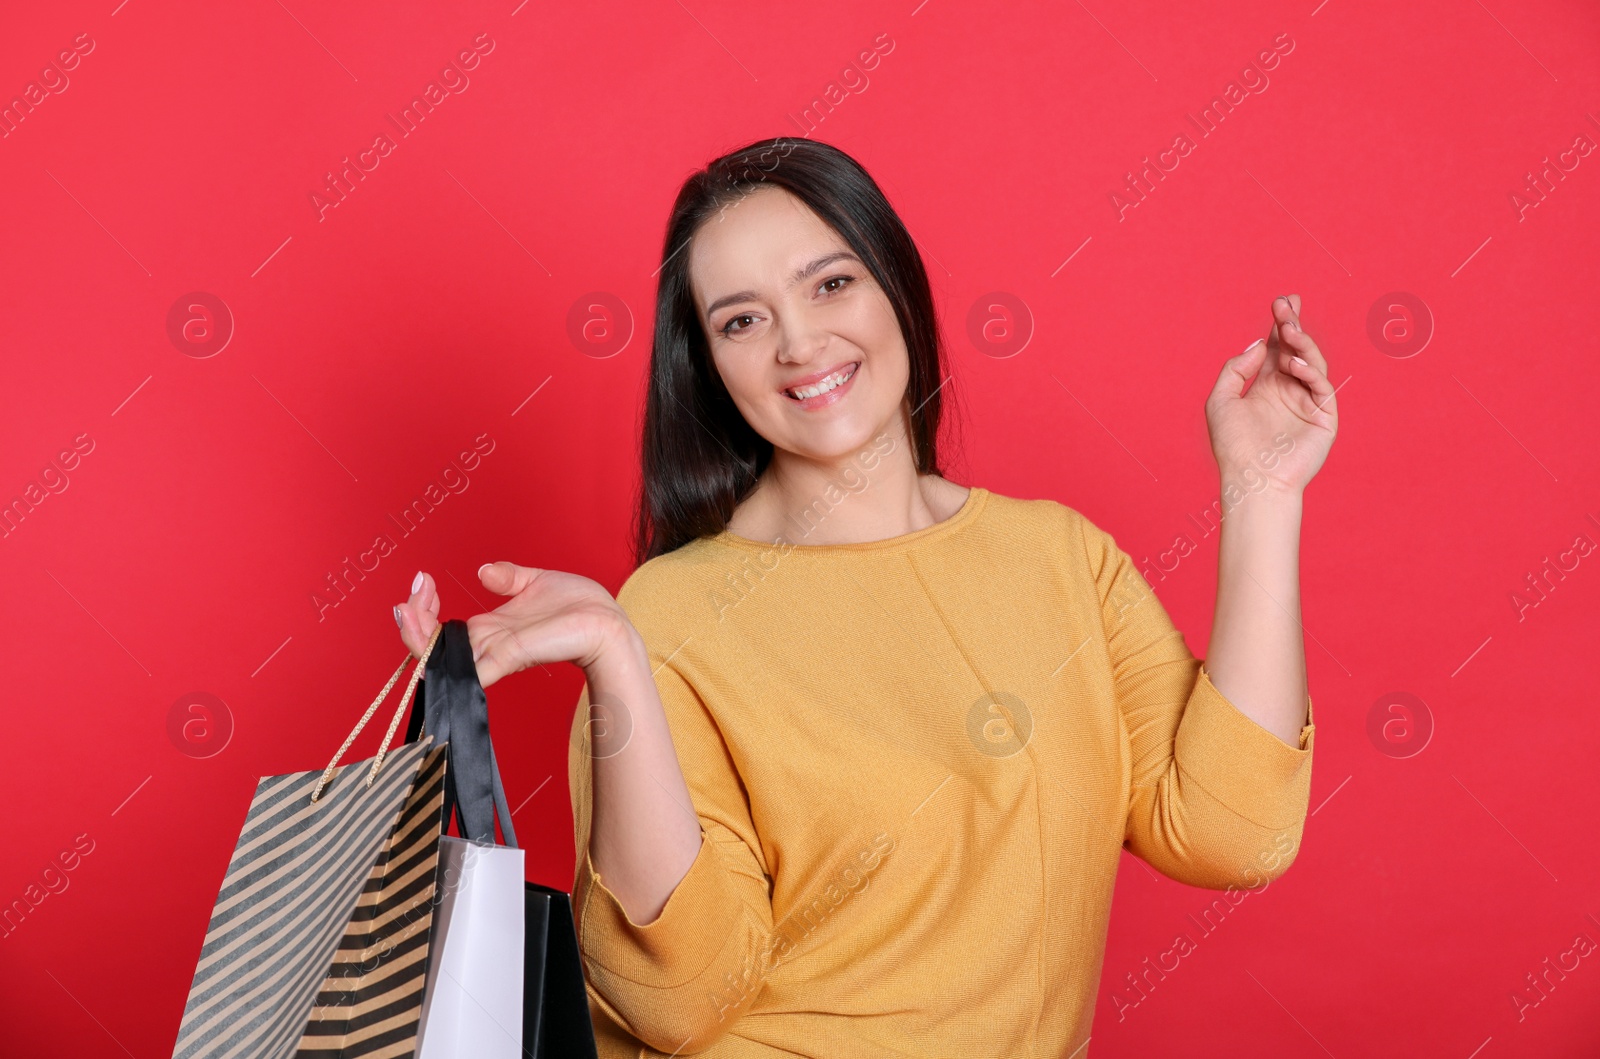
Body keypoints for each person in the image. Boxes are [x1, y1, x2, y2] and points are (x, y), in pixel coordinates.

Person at [394, 136, 1337, 1057]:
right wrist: (618, 662)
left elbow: (1231, 832)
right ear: (710, 366)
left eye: (830, 282)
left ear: (896, 283)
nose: (800, 343)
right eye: (741, 319)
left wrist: (1261, 495)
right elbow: (677, 1005)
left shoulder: (1059, 558)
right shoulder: (668, 615)